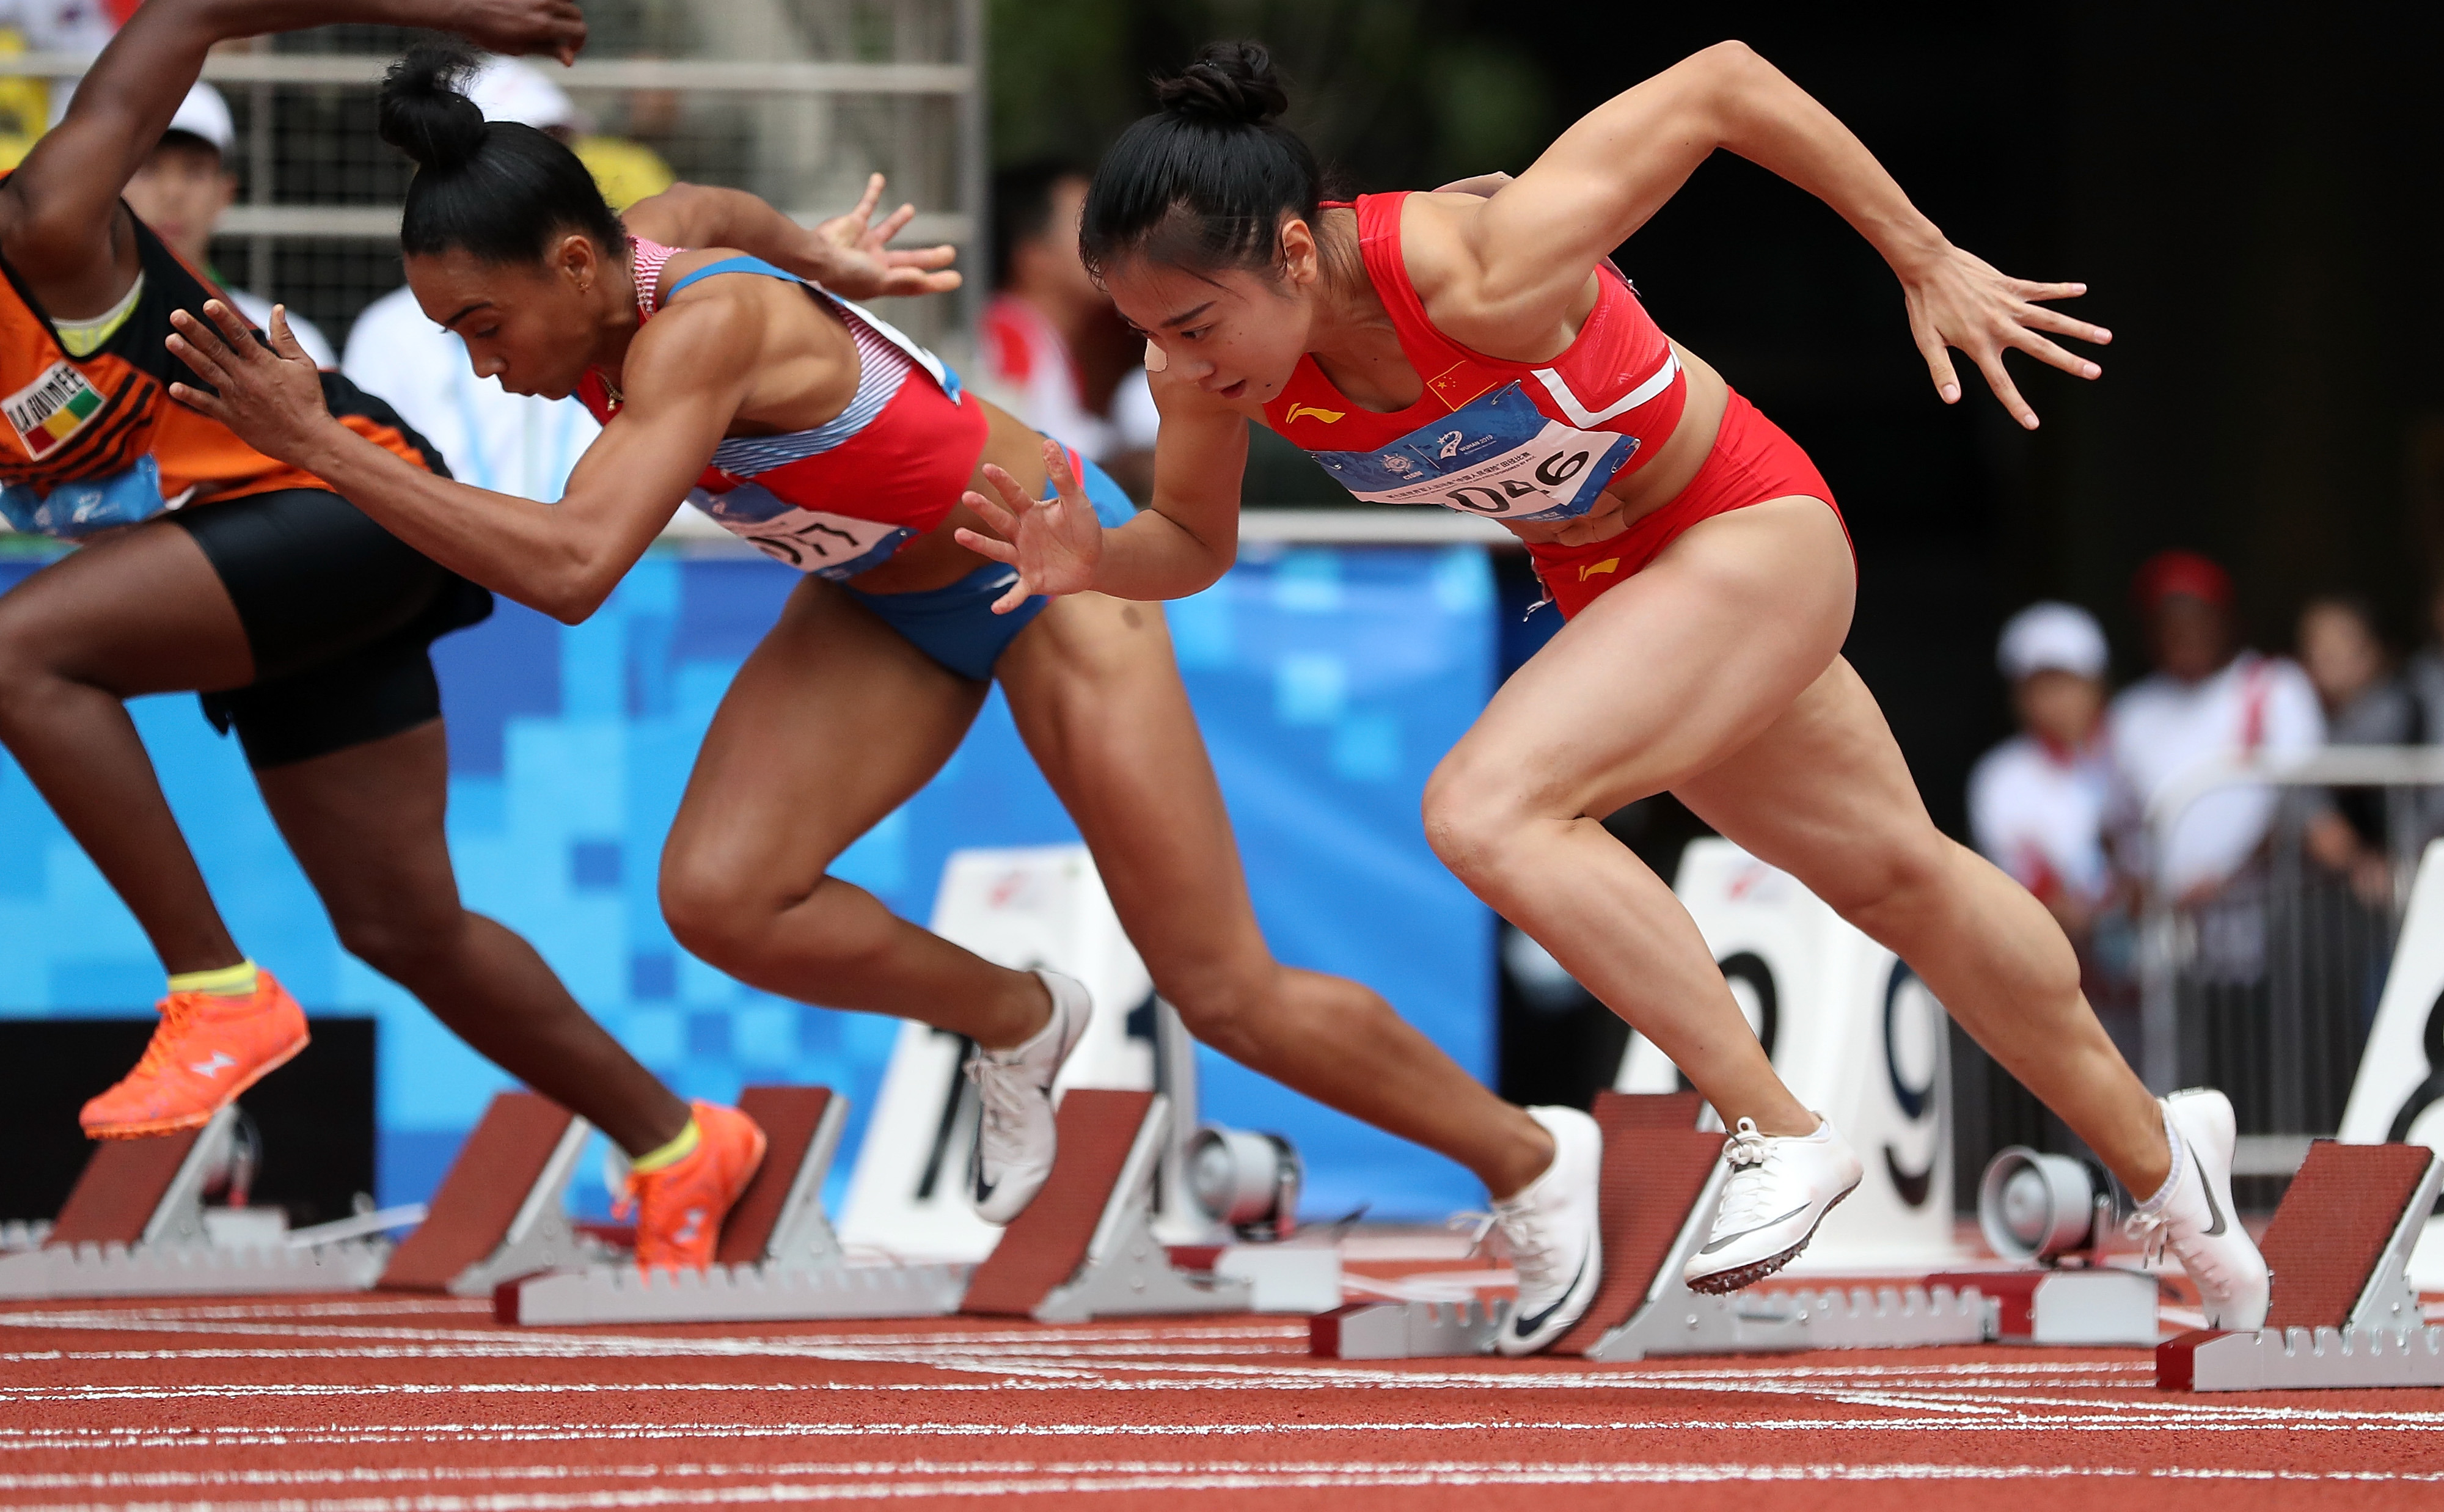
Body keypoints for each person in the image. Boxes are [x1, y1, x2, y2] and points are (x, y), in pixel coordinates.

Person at [166, 43, 1596, 1354]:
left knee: (1224, 990)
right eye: (451, 336)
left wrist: (324, 448)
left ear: (576, 266)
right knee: (722, 893)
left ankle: (1532, 1161)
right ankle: (1016, 1012)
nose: (485, 362)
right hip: (886, 600)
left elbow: (577, 566)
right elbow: (715, 201)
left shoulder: (694, 336)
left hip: (1050, 570)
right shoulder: (642, 239)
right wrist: (828, 251)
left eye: (486, 324)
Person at [956, 40, 2273, 1331]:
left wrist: (1918, 253)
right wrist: (1095, 556)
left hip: (1742, 529)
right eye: (1140, 333)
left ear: (1295, 252)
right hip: (1621, 589)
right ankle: (2167, 1161)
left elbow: (1723, 81)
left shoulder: (1479, 266)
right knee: (1894, 873)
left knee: (1484, 805)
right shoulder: (1208, 367)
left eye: (1190, 324)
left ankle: (1775, 1128)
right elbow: (1191, 542)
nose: (1175, 366)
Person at [0, 0, 767, 1272]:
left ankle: (214, 990)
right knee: (405, 926)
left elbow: (191, 12)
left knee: (19, 651)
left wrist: (447, 13)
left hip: (338, 497)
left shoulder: (47, 224)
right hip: (248, 574)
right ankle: (680, 1142)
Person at [343, 56, 602, 502]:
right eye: (518, 151)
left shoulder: (630, 304)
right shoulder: (387, 335)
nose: (540, 175)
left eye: (555, 148)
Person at [2108, 551, 2323, 908]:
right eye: (2169, 623)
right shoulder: (2133, 711)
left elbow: (2299, 802)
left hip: (2263, 912)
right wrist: (2140, 886)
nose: (2183, 635)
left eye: (2196, 619)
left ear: (2226, 620)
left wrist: (2226, 880)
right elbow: (2117, 820)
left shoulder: (2274, 687)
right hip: (2167, 923)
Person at [118, 81, 335, 367]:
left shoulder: (292, 347)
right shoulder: (67, 330)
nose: (172, 193)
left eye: (194, 171)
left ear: (225, 193)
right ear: (115, 185)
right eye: (149, 168)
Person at [975, 161, 1157, 492]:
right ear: (1032, 256)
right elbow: (1012, 452)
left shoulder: (1041, 336)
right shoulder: (1007, 335)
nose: (1115, 244)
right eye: (1091, 228)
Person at [1969, 603, 2117, 946]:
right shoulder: (2000, 777)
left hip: (2154, 970)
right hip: (2055, 953)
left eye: (2066, 683)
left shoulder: (2132, 749)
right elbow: (2025, 876)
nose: (2055, 700)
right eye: (2040, 687)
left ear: (2097, 685)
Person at [2296, 593, 2414, 905]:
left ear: (2372, 651)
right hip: (2355, 903)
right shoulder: (2314, 716)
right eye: (2315, 644)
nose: (2323, 655)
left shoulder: (2394, 707)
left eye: (2338, 643)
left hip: (2406, 876)